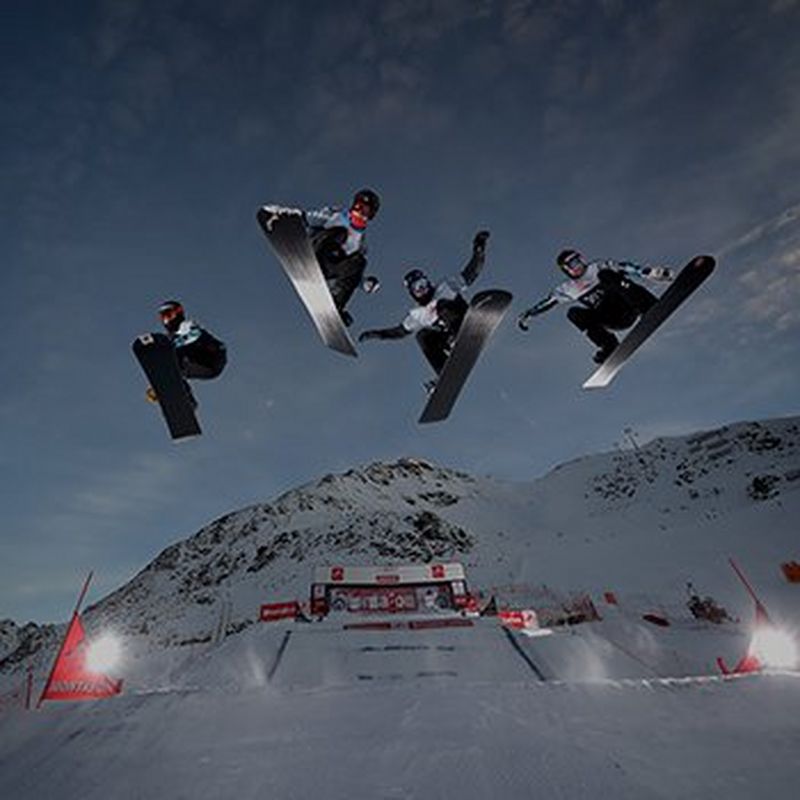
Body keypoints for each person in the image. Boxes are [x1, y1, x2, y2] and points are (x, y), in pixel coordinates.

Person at [358, 230, 490, 393]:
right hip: (450, 338)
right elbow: (399, 332)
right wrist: (375, 334)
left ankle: (460, 337)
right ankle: (444, 375)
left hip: (464, 321)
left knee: (440, 305)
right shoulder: (417, 314)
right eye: (418, 288)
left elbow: (472, 272)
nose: (423, 289)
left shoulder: (446, 286)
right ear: (412, 293)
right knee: (423, 336)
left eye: (424, 284)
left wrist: (478, 249)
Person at [517, 248, 675, 363]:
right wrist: (529, 314)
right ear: (566, 270)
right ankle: (609, 346)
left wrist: (653, 273)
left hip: (628, 306)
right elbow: (548, 302)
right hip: (612, 319)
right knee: (573, 313)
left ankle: (648, 305)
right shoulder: (568, 289)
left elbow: (626, 267)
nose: (577, 265)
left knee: (606, 275)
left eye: (578, 260)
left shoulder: (597, 267)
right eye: (572, 264)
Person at [304, 188, 382, 327]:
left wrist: (364, 284)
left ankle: (336, 307)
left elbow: (351, 276)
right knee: (340, 232)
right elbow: (308, 218)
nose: (358, 211)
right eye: (357, 206)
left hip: (329, 269)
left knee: (359, 261)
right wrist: (287, 218)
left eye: (365, 210)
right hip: (316, 251)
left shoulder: (361, 244)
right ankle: (311, 261)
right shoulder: (336, 215)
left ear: (370, 216)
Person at [146, 300, 227, 405]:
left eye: (169, 315)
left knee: (173, 359)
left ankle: (176, 391)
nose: (166, 320)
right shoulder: (172, 337)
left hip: (211, 357)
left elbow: (193, 337)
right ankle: (186, 402)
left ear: (178, 312)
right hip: (202, 366)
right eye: (163, 317)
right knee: (174, 369)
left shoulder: (186, 325)